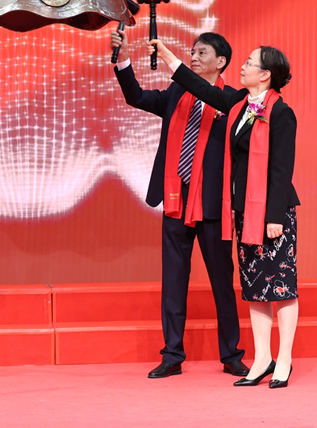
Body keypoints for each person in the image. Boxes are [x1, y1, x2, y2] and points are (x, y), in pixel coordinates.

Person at [151, 40, 299, 388]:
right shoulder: (238, 105)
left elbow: (282, 170)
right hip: (245, 212)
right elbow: (202, 88)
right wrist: (170, 60)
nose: (242, 67)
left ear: (265, 75)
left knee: (280, 287)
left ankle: (284, 361)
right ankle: (261, 359)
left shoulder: (281, 112)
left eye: (249, 63)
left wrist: (274, 217)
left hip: (273, 216)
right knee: (255, 287)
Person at [111, 29, 249, 379]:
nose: (194, 57)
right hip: (176, 199)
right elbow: (136, 97)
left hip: (213, 203)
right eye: (192, 52)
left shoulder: (234, 100)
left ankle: (231, 354)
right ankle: (172, 354)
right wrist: (123, 60)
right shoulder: (176, 93)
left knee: (222, 282)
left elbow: (206, 93)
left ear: (221, 61)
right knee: (173, 280)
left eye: (202, 53)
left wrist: (170, 60)